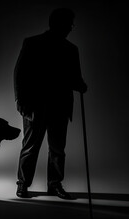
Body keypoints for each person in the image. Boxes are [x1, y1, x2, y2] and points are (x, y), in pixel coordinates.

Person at [14, 8, 87, 199]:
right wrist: (20, 100)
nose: (71, 28)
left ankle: (54, 185)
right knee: (31, 146)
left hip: (60, 106)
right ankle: (22, 184)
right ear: (56, 23)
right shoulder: (32, 43)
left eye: (71, 24)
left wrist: (80, 85)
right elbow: (19, 74)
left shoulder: (72, 49)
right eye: (68, 24)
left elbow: (74, 78)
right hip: (34, 106)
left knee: (57, 149)